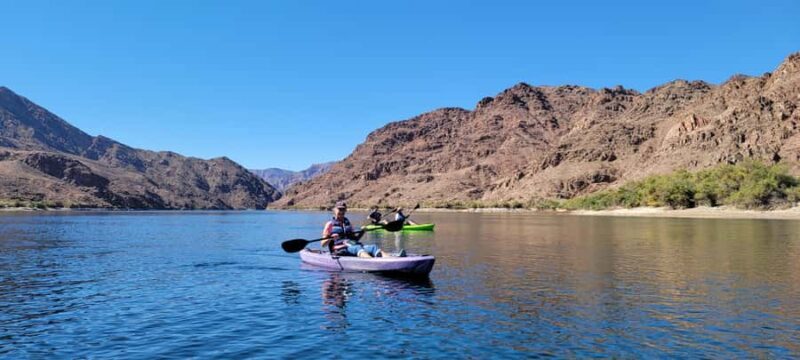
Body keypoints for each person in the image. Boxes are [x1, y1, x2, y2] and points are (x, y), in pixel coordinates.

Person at [322, 201, 404, 258]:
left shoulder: (348, 223)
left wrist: (362, 232)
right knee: (358, 248)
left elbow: (355, 239)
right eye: (339, 209)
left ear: (346, 210)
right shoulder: (330, 224)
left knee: (373, 247)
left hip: (352, 245)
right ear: (335, 210)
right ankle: (374, 263)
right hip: (339, 249)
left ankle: (392, 260)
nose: (341, 211)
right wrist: (330, 238)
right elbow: (323, 244)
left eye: (343, 209)